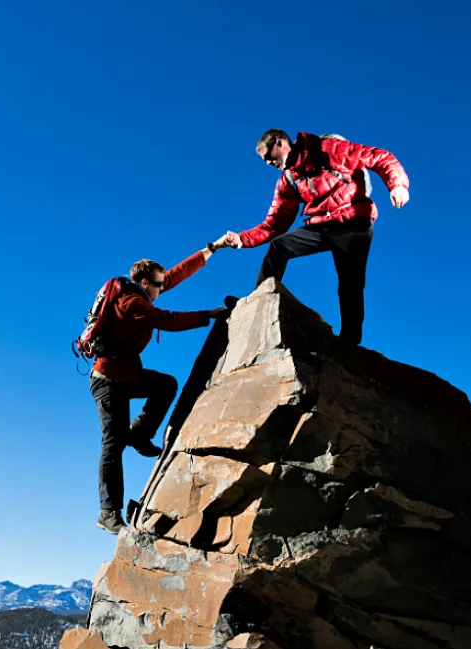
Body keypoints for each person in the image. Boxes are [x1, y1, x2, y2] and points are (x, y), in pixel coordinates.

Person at [90, 240, 230, 534]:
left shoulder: (143, 291)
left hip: (127, 375)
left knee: (165, 385)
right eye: (158, 284)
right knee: (113, 444)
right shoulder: (130, 302)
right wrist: (209, 315)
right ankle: (108, 512)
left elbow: (176, 274)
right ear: (144, 283)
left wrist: (210, 250)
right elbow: (166, 319)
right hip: (107, 381)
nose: (161, 288)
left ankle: (139, 434)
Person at [222, 129, 410, 345]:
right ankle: (255, 303)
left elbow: (380, 157)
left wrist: (397, 185)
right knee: (279, 247)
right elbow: (275, 223)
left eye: (268, 157)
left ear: (280, 143)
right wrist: (242, 239)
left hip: (353, 222)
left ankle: (350, 339)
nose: (267, 163)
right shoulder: (289, 180)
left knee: (350, 283)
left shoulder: (328, 150)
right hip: (323, 226)